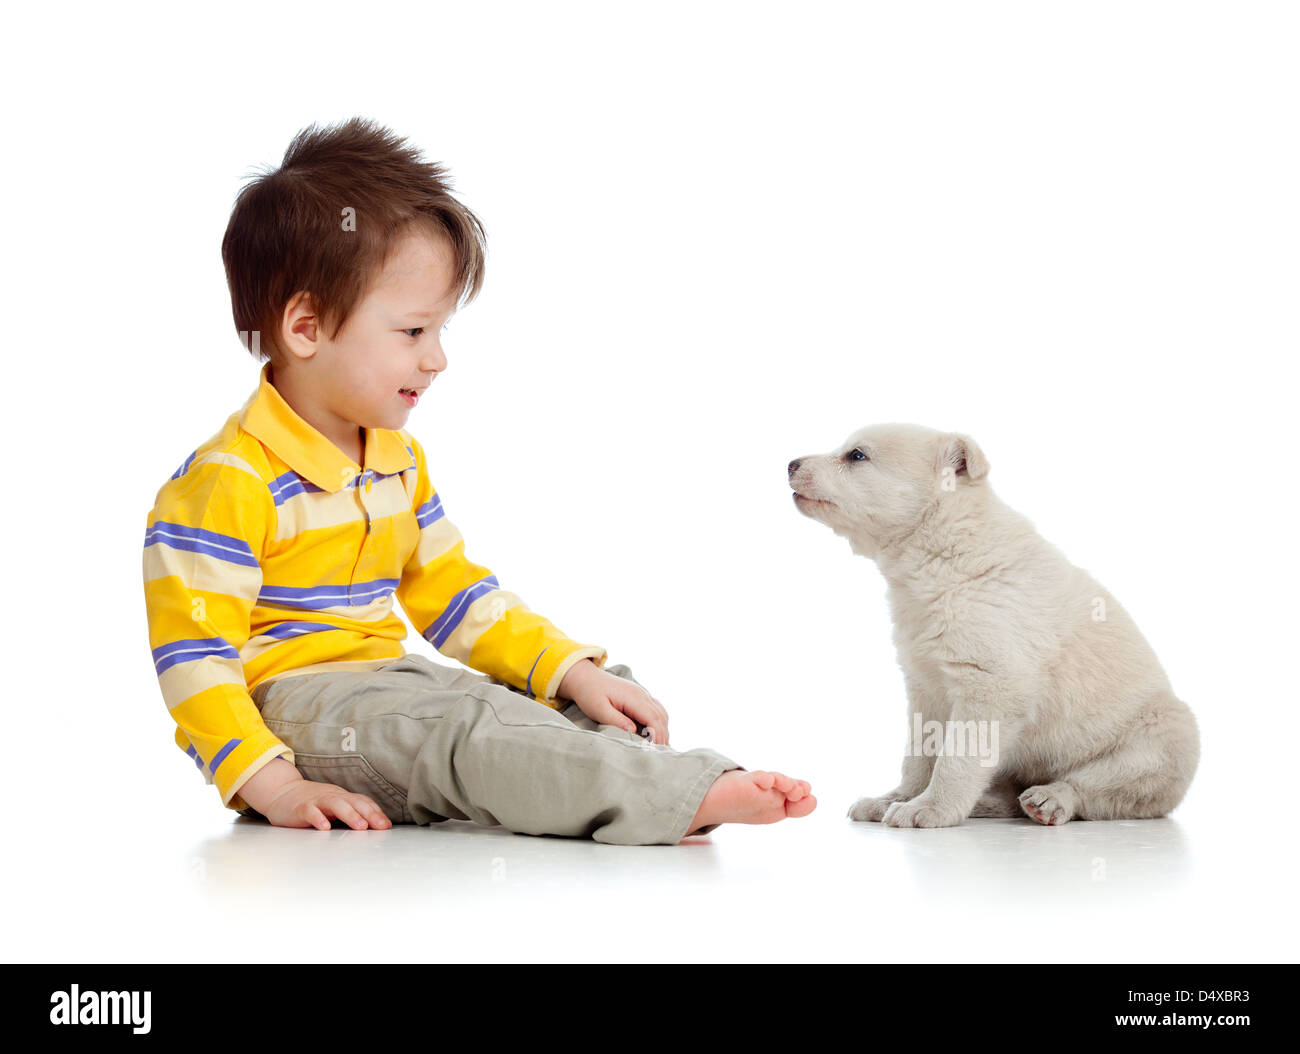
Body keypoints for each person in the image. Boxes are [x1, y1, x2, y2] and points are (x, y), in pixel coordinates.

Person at [141, 117, 816, 845]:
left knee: (563, 694)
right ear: (305, 327)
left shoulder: (395, 458)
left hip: (390, 688)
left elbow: (457, 597)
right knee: (469, 727)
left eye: (440, 332)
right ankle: (672, 795)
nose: (436, 360)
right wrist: (274, 784)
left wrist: (568, 673)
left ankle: (652, 777)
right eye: (412, 332)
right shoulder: (227, 480)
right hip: (300, 717)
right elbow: (194, 658)